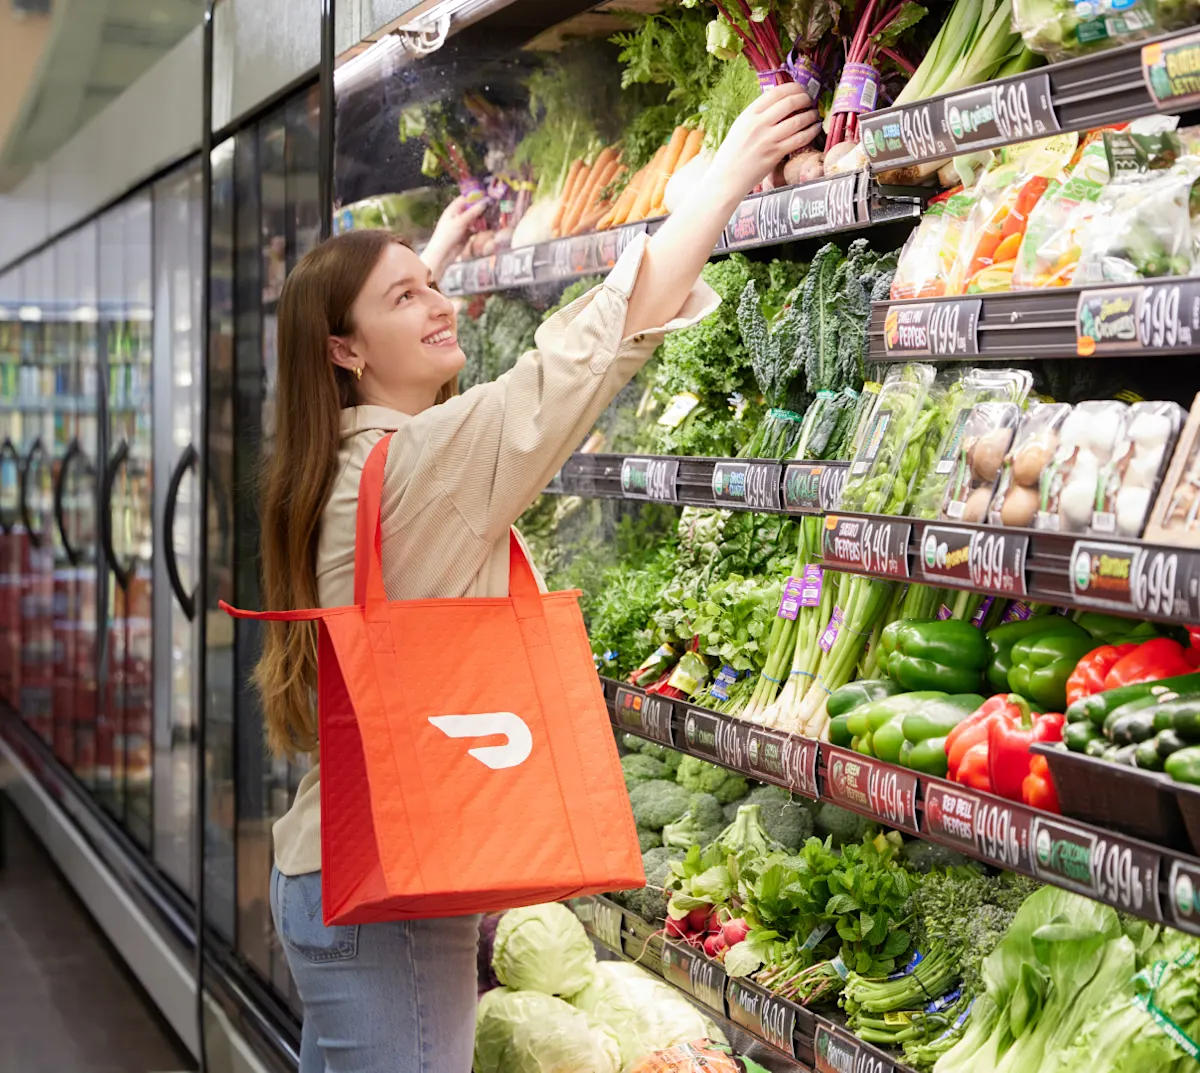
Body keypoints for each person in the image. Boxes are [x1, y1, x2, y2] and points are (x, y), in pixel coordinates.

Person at [255, 83, 820, 1073]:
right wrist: (729, 171)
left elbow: (351, 341)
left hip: (345, 863)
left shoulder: (334, 456)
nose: (440, 303)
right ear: (345, 350)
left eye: (433, 285)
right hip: (383, 889)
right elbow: (587, 350)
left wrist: (409, 272)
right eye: (408, 299)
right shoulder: (425, 463)